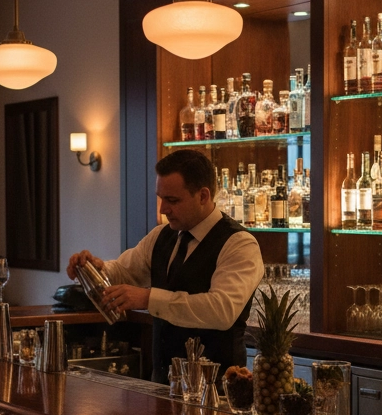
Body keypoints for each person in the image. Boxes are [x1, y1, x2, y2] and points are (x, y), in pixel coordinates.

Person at [67, 149, 264, 383]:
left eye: (172, 200)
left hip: (215, 390)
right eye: (161, 198)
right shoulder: (161, 235)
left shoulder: (239, 244)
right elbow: (124, 271)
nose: (162, 209)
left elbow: (221, 310)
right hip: (162, 385)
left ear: (203, 196)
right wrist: (95, 269)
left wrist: (148, 298)